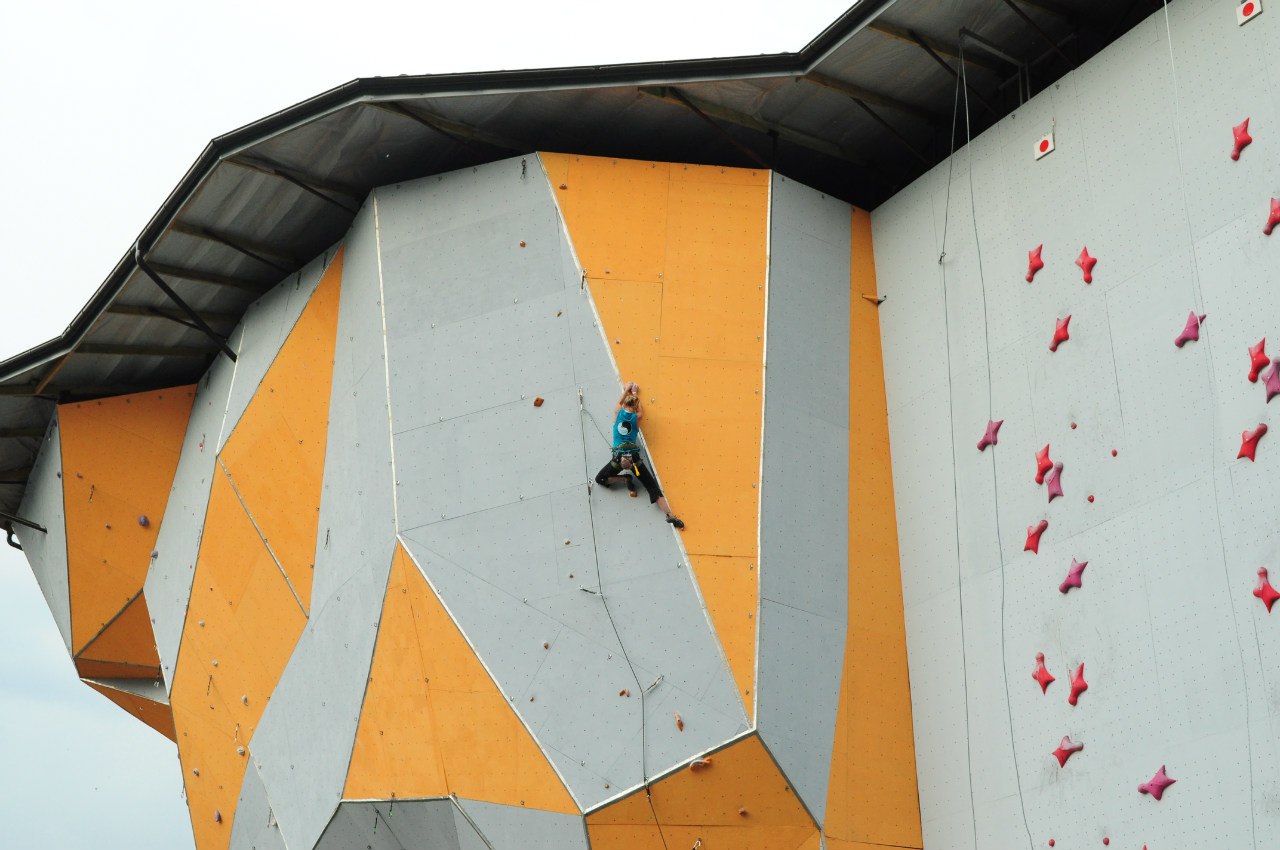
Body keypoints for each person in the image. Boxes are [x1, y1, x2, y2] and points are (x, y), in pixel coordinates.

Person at [594, 382, 685, 529]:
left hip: (619, 459)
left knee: (600, 479)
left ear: (624, 405)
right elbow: (640, 411)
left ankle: (625, 479)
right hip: (634, 459)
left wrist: (627, 390)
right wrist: (635, 394)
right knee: (651, 486)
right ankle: (670, 515)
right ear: (636, 408)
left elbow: (619, 402)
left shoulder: (618, 414)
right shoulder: (637, 418)